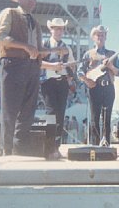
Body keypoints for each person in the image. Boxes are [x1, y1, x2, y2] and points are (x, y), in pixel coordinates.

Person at [0, 0, 48, 156]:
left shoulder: (36, 22)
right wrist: (24, 46)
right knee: (10, 110)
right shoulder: (9, 13)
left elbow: (37, 50)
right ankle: (6, 151)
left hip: (32, 67)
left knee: (28, 111)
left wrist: (50, 52)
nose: (32, 0)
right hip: (13, 65)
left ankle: (19, 149)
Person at [77, 25, 119, 145]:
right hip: (94, 88)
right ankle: (95, 145)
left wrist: (110, 66)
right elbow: (80, 72)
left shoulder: (112, 54)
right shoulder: (88, 54)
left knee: (107, 118)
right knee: (94, 118)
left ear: (105, 37)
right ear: (93, 38)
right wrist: (87, 81)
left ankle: (106, 143)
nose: (100, 37)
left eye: (102, 35)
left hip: (109, 88)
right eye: (98, 35)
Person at [40, 18, 75, 157]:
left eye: (61, 29)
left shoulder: (67, 47)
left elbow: (72, 66)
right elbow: (38, 62)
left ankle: (56, 147)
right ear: (51, 29)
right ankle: (48, 147)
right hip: (48, 82)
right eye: (56, 28)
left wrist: (68, 71)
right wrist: (53, 66)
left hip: (62, 83)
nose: (59, 31)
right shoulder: (44, 44)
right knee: (51, 113)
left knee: (60, 114)